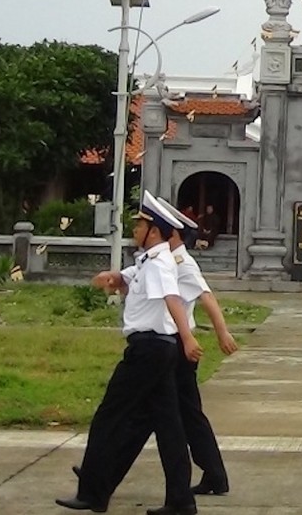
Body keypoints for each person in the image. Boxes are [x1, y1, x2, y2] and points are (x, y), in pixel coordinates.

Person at [55, 191, 201, 515]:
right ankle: (180, 500)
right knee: (168, 426)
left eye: (140, 225)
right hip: (158, 350)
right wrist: (116, 278)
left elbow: (172, 299)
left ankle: (92, 493)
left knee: (109, 417)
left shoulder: (159, 264)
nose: (135, 229)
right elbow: (132, 276)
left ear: (155, 232)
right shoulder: (150, 260)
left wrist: (188, 337)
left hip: (148, 350)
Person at [101, 195, 237, 497]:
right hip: (169, 345)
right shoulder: (157, 260)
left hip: (176, 347)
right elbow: (132, 279)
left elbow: (207, 297)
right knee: (165, 416)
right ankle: (101, 474)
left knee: (170, 417)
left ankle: (102, 474)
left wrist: (222, 333)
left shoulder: (181, 263)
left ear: (171, 233)